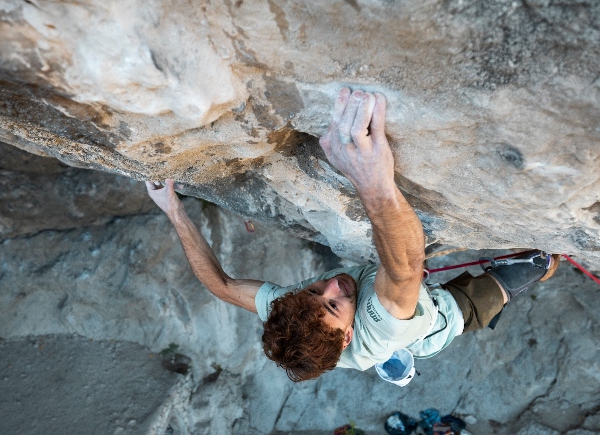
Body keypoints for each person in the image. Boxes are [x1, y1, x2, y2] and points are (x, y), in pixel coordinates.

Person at [145, 87, 559, 383]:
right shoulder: (380, 327)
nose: (332, 285)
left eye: (312, 291)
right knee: (513, 278)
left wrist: (174, 210)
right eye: (333, 306)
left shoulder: (293, 312)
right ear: (347, 336)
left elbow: (221, 285)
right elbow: (405, 267)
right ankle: (540, 268)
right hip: (437, 323)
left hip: (383, 312)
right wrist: (372, 180)